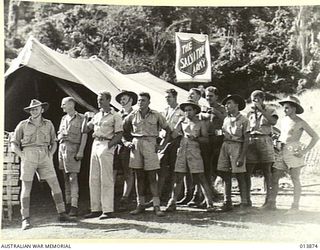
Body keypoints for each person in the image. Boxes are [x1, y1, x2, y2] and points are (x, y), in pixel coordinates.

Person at [10, 99, 73, 230]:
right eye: (32, 109)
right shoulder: (22, 125)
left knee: (54, 184)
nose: (34, 111)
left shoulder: (48, 124)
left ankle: (62, 213)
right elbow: (14, 143)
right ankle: (25, 219)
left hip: (45, 155)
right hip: (29, 155)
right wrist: (22, 156)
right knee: (26, 186)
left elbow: (54, 141)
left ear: (42, 110)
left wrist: (50, 154)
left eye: (36, 108)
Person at [123, 92, 171, 217]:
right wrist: (126, 142)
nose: (140, 103)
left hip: (151, 143)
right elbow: (121, 130)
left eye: (143, 100)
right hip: (136, 144)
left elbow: (168, 130)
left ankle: (156, 205)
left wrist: (162, 145)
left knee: (152, 176)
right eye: (139, 100)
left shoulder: (156, 115)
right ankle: (141, 205)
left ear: (149, 102)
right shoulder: (132, 115)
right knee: (139, 176)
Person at [165, 99, 215, 213]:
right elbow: (173, 135)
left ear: (195, 111)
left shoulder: (200, 123)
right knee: (178, 177)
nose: (187, 112)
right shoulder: (182, 122)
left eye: (190, 110)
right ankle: (172, 202)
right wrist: (177, 126)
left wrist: (196, 138)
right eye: (186, 110)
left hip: (194, 152)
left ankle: (209, 203)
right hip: (182, 151)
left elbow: (206, 139)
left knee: (200, 177)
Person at [270, 96, 319, 213]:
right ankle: (271, 203)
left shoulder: (300, 122)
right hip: (281, 151)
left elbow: (315, 136)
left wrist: (304, 151)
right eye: (284, 108)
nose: (284, 110)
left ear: (294, 108)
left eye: (287, 108)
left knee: (295, 178)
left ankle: (295, 206)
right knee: (275, 176)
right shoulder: (284, 120)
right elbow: (284, 135)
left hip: (294, 151)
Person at [83, 91, 123, 219]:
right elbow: (85, 129)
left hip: (106, 144)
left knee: (106, 178)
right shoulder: (97, 115)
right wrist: (85, 118)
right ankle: (95, 208)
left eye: (101, 99)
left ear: (108, 100)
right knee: (93, 178)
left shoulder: (115, 116)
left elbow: (119, 134)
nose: (98, 102)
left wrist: (109, 146)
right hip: (96, 144)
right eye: (98, 99)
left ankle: (107, 209)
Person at [217, 94, 250, 212]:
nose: (226, 106)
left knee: (240, 175)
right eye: (225, 104)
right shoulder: (226, 119)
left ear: (236, 105)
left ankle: (244, 202)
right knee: (225, 174)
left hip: (237, 147)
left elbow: (246, 139)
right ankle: (227, 201)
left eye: (229, 103)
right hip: (225, 146)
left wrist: (242, 156)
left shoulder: (244, 120)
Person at [246, 90, 278, 209]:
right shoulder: (249, 112)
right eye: (253, 98)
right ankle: (247, 200)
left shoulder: (270, 110)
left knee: (267, 171)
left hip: (265, 139)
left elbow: (273, 122)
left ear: (262, 99)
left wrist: (261, 110)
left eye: (257, 98)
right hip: (251, 140)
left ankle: (269, 201)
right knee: (247, 170)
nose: (255, 100)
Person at [57, 97, 88, 217]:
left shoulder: (81, 118)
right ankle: (68, 203)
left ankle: (74, 206)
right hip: (62, 150)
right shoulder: (63, 118)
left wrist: (81, 151)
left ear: (71, 104)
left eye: (63, 104)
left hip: (73, 150)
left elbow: (84, 135)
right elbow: (59, 133)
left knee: (73, 178)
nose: (62, 106)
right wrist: (60, 136)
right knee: (65, 178)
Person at [157, 89, 185, 203]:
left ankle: (174, 197)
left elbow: (181, 128)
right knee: (161, 167)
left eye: (169, 97)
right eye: (166, 97)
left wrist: (174, 135)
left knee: (175, 169)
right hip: (164, 140)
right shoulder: (164, 111)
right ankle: (157, 196)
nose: (167, 99)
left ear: (175, 97)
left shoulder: (181, 111)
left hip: (176, 140)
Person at [113, 90, 137, 210]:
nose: (122, 101)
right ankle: (110, 198)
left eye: (124, 99)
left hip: (130, 146)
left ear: (131, 100)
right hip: (118, 145)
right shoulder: (117, 114)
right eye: (121, 99)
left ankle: (125, 198)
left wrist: (128, 142)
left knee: (129, 172)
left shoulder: (136, 113)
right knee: (114, 171)